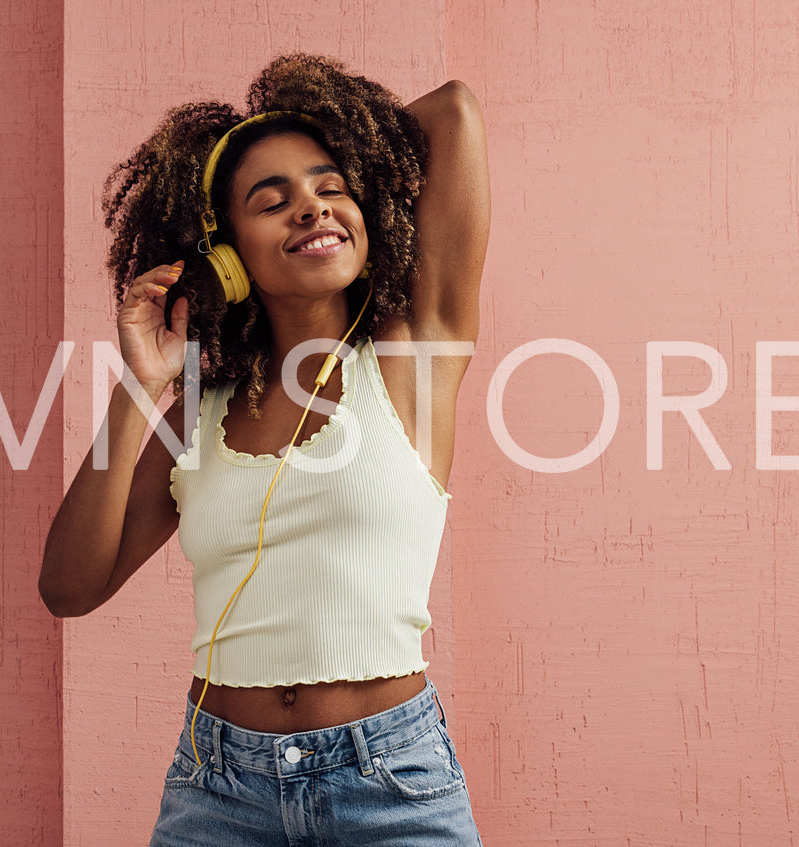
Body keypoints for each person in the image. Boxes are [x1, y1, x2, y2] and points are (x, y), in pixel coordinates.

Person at [40, 53, 489, 845]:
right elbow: (69, 585)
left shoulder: (413, 356)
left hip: (388, 781)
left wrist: (363, 161)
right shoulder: (194, 413)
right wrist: (139, 388)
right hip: (218, 789)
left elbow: (450, 113)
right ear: (225, 252)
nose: (312, 210)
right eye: (272, 201)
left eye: (329, 187)